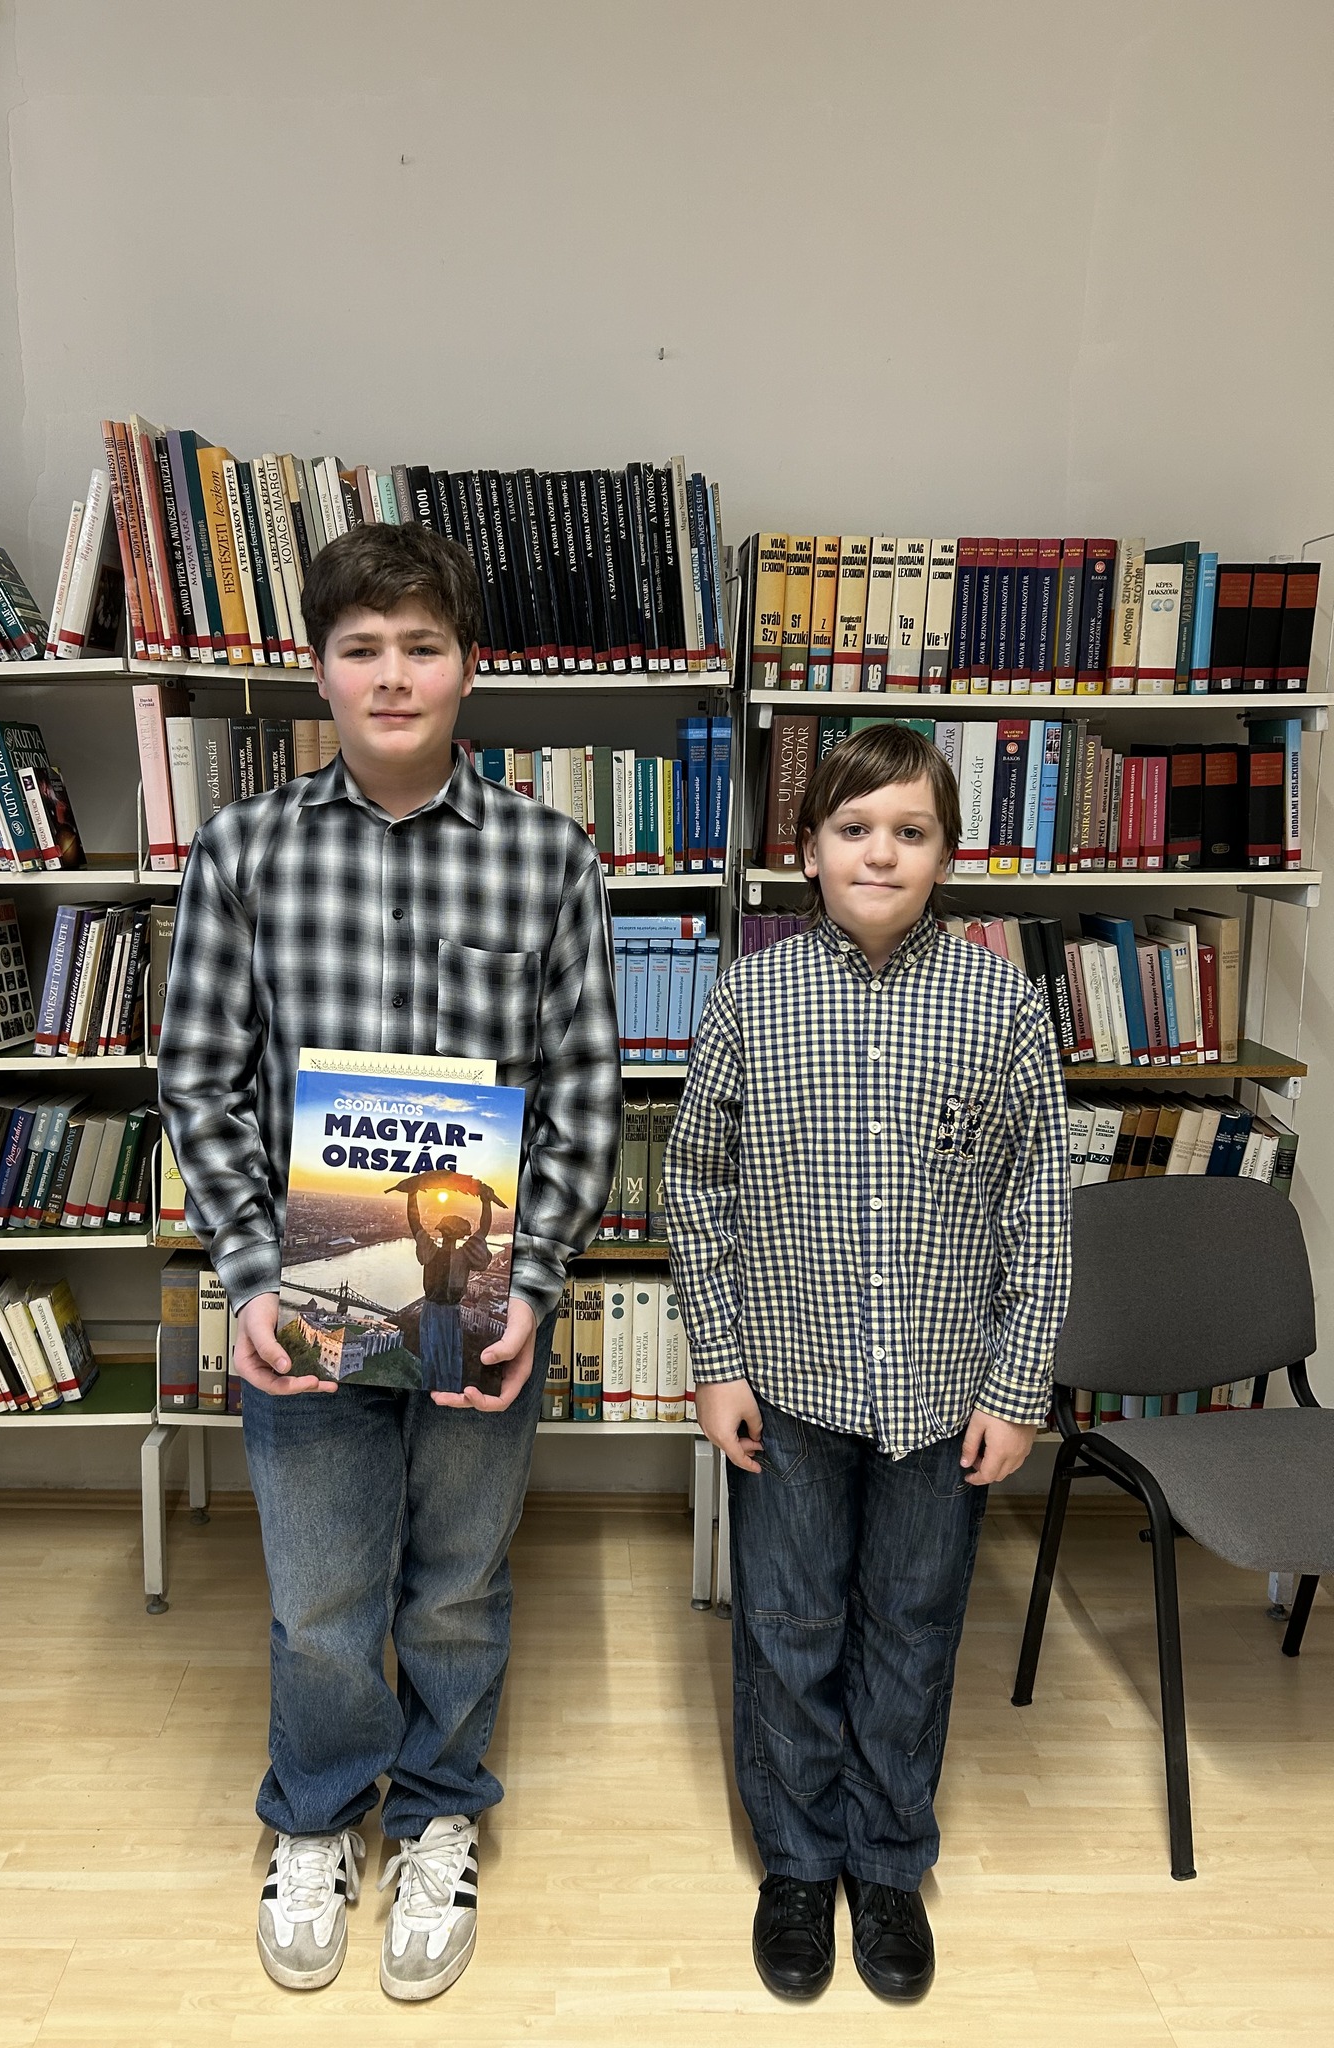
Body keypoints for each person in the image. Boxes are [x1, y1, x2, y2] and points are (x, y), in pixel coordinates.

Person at [158, 522, 620, 2003]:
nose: (394, 674)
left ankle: (435, 1817)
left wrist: (534, 1285)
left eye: (423, 644)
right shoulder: (245, 850)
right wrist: (248, 1274)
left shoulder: (551, 858)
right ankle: (315, 1817)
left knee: (458, 1586)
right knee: (318, 1590)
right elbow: (199, 1080)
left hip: (480, 1301)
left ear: (469, 667)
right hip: (302, 1298)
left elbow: (585, 1092)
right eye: (362, 647)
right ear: (319, 671)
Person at [666, 723, 1070, 2006]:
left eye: (910, 830)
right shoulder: (751, 996)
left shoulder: (1005, 1004)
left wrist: (1017, 1385)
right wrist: (718, 1359)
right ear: (808, 851)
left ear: (948, 853)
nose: (881, 853)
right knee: (790, 1625)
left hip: (945, 1396)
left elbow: (1040, 1208)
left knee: (911, 1625)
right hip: (787, 1384)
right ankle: (797, 1860)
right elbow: (695, 1181)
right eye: (854, 829)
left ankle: (888, 1860)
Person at [405, 1181, 495, 1395]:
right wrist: (486, 1202)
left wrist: (412, 1194)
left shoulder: (431, 1252)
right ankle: (446, 1392)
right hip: (446, 1312)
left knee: (432, 1357)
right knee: (448, 1358)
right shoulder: (464, 1255)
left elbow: (415, 1224)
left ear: (443, 1233)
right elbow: (484, 1230)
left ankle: (434, 1391)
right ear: (459, 1235)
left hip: (435, 1312)